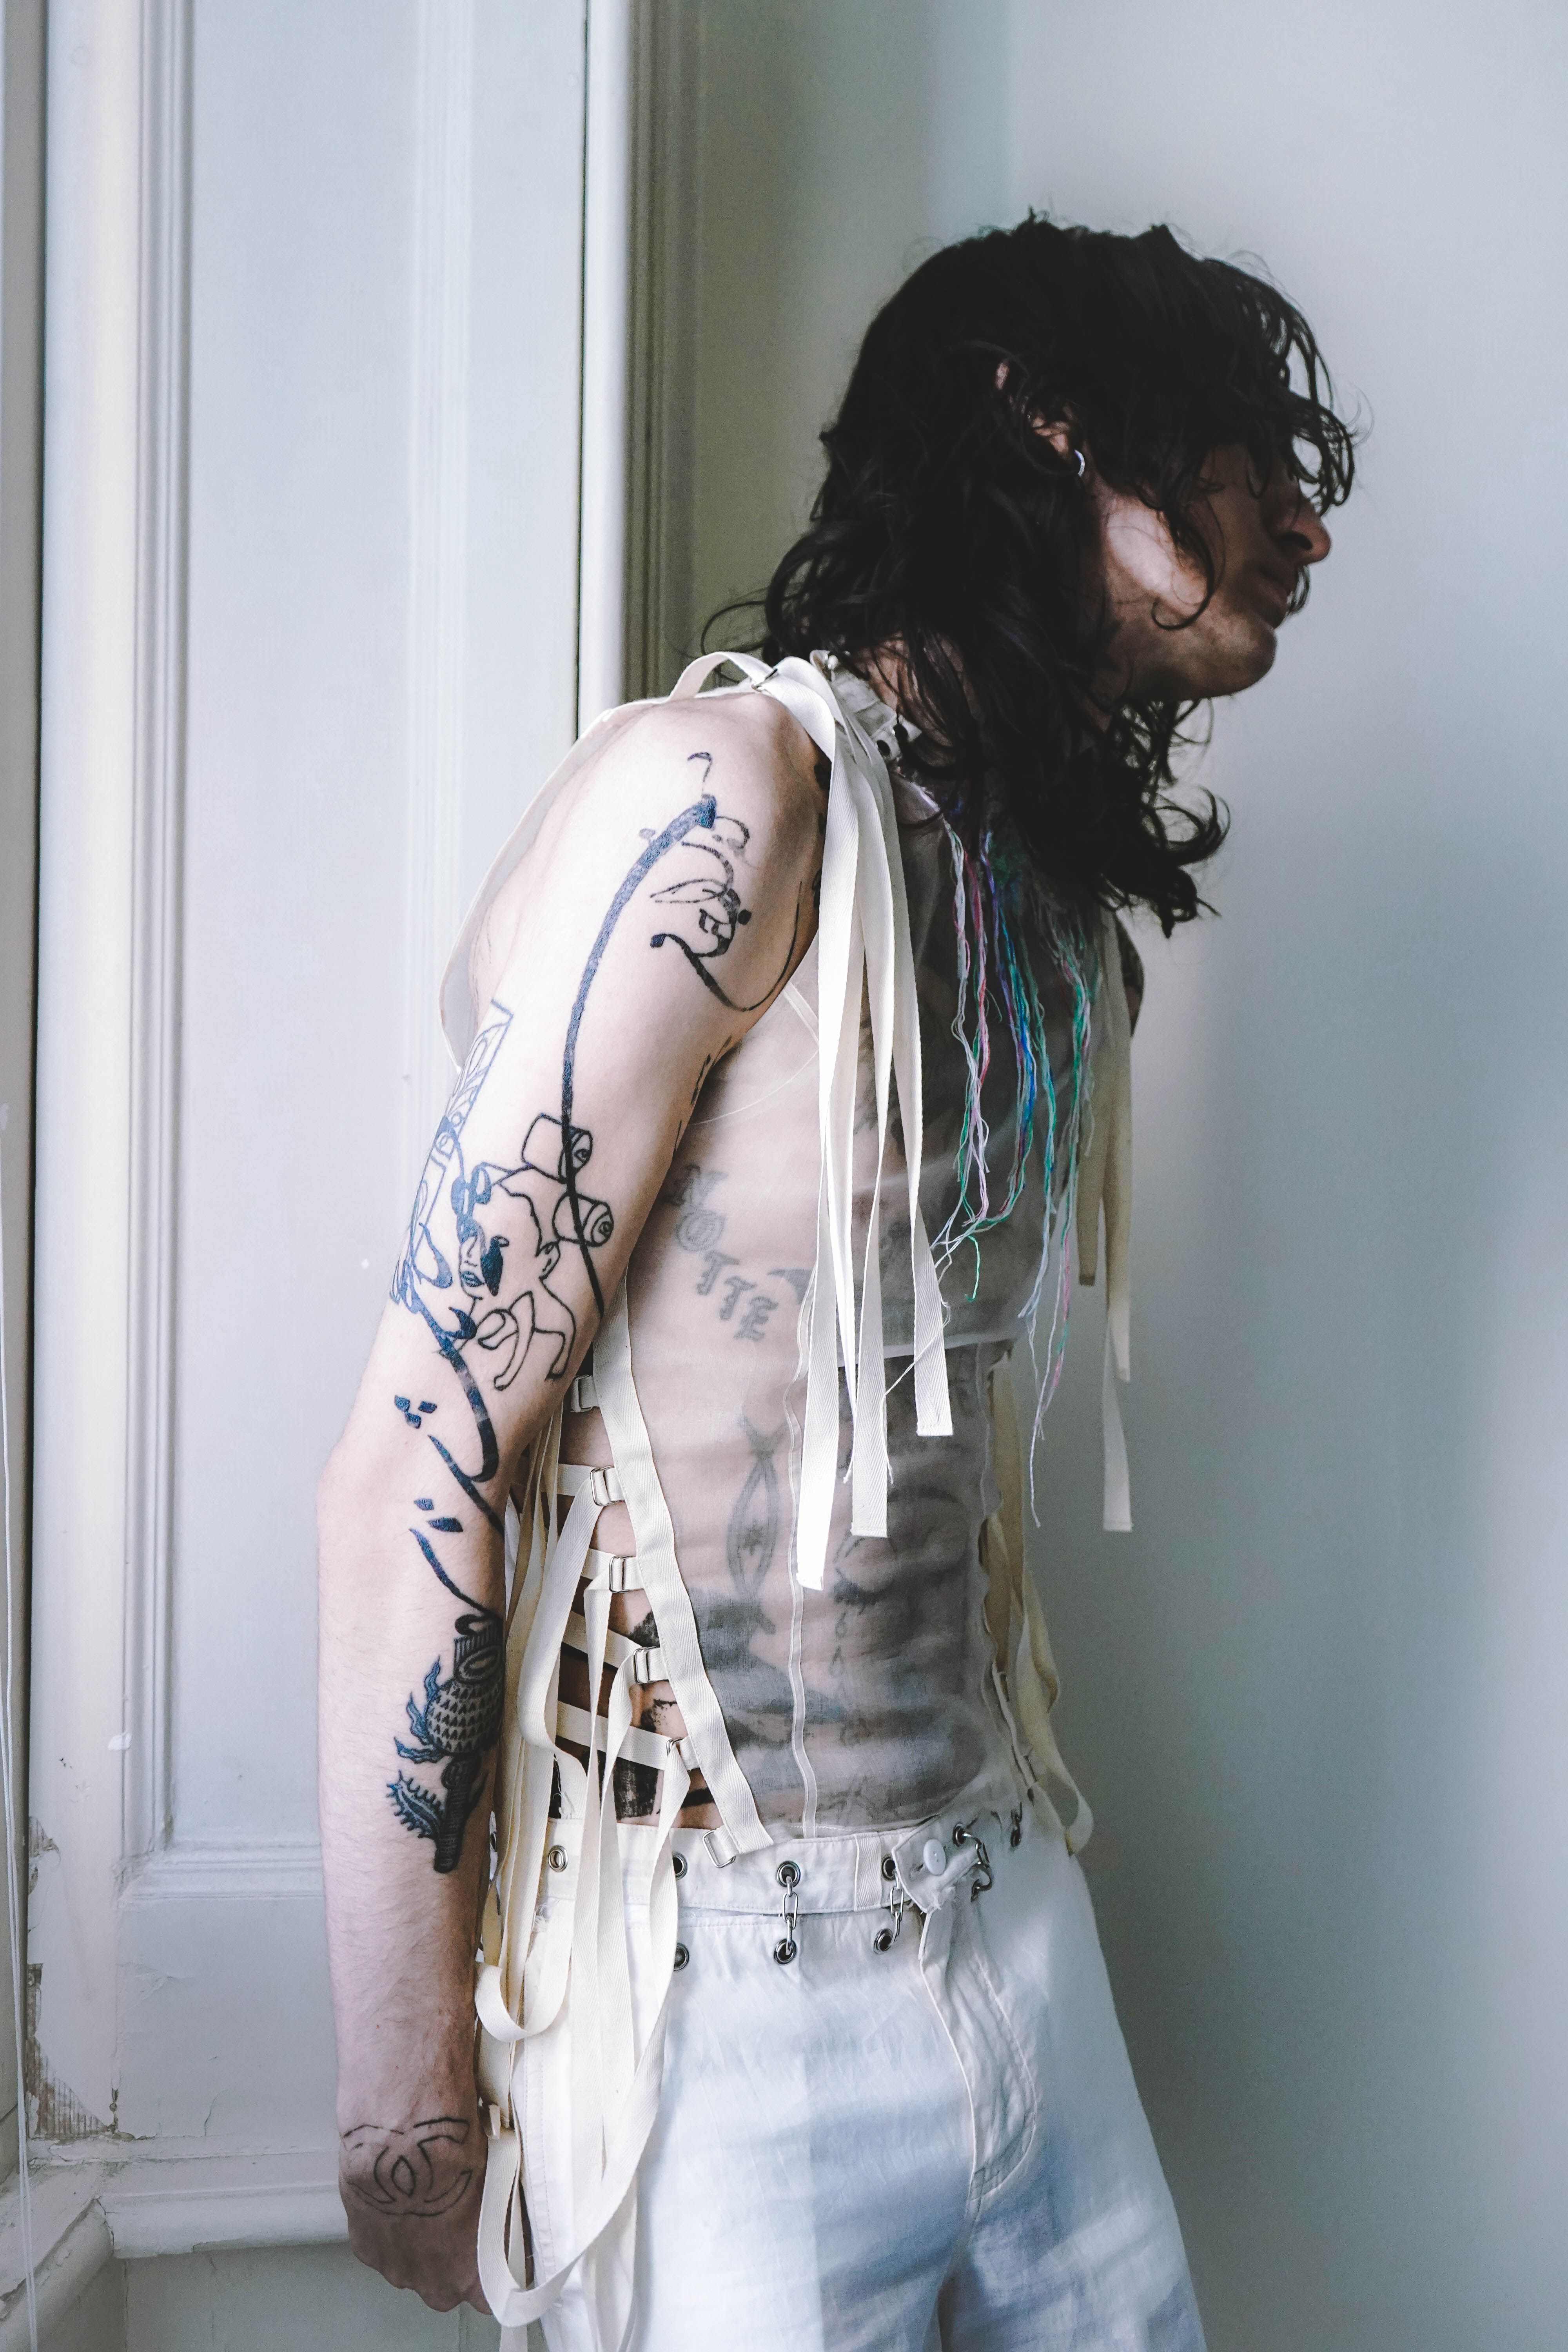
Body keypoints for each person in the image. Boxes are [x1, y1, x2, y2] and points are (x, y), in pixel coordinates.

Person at [317, 214, 1352, 2350]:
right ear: (1050, 428)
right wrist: (405, 2098)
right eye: (1243, 449)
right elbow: (422, 1447)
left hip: (1013, 1913)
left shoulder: (1043, 896)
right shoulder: (725, 798)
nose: (1305, 519)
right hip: (722, 2003)